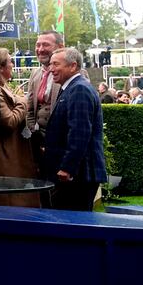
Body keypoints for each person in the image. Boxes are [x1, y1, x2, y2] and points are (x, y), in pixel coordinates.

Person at [44, 47, 107, 211]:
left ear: (73, 66)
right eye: (50, 64)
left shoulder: (79, 89)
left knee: (74, 226)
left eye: (56, 64)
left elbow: (80, 133)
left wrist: (67, 168)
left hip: (78, 175)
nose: (51, 69)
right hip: (76, 173)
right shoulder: (72, 88)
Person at [0, 48, 40, 207]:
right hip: (5, 156)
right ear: (0, 67)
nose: (13, 64)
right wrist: (23, 102)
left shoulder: (2, 87)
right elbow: (9, 121)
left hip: (12, 153)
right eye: (10, 61)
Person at [25, 31, 65, 171]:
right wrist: (35, 135)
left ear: (60, 47)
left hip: (61, 146)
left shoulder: (73, 73)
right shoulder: (35, 74)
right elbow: (29, 109)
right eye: (38, 45)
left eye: (46, 45)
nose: (40, 49)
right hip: (39, 145)